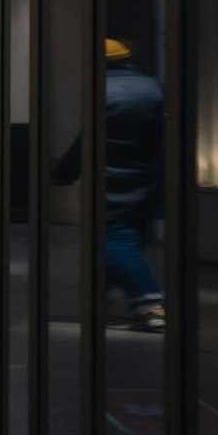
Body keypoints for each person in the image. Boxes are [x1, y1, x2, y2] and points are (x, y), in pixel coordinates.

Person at [52, 38, 165, 331]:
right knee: (123, 243)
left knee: (116, 244)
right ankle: (103, 299)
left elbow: (86, 140)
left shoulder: (100, 92)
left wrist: (64, 172)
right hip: (146, 183)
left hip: (111, 184)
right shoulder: (154, 87)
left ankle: (150, 303)